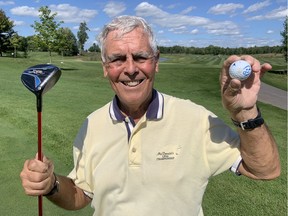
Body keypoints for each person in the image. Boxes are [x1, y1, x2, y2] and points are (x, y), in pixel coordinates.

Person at [20, 15, 280, 216]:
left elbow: (265, 170)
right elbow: (82, 194)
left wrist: (245, 111)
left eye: (141, 57)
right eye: (118, 59)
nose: (130, 69)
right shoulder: (92, 124)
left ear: (155, 61)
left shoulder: (195, 118)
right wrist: (52, 184)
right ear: (105, 68)